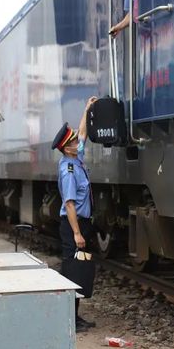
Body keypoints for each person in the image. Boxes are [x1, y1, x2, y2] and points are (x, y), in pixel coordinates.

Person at [52, 96, 98, 332]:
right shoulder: (68, 169)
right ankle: (70, 318)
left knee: (79, 270)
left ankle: (75, 317)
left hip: (81, 223)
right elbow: (69, 204)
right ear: (66, 148)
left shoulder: (75, 157)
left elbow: (82, 134)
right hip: (73, 224)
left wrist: (86, 109)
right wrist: (77, 233)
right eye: (71, 141)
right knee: (73, 270)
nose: (76, 142)